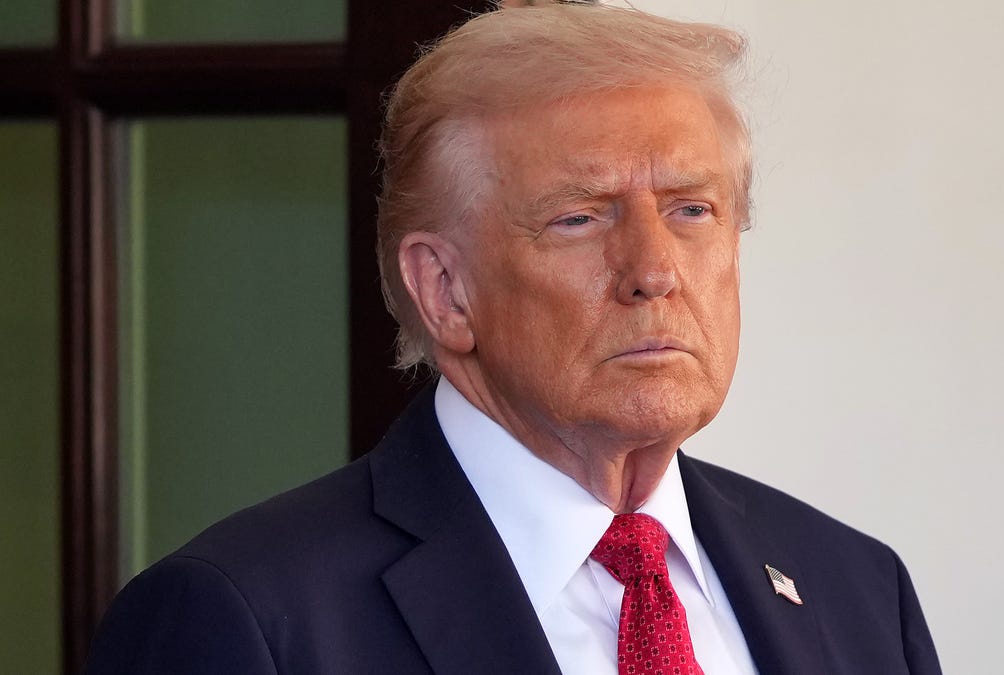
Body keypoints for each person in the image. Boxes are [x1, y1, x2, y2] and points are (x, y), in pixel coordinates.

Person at [86, 3, 941, 674]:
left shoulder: (857, 588)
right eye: (579, 218)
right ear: (444, 289)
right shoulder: (245, 617)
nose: (654, 270)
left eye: (691, 209)